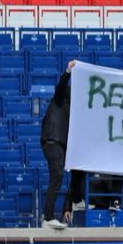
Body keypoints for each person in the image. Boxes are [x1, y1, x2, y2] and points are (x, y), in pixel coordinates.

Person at [41, 60, 86, 229]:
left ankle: (74, 202)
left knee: (77, 170)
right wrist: (68, 72)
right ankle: (48, 217)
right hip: (53, 141)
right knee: (57, 176)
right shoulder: (60, 100)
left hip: (63, 144)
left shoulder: (74, 108)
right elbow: (61, 87)